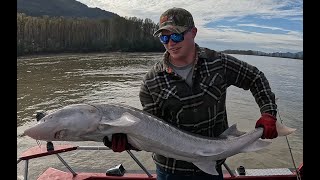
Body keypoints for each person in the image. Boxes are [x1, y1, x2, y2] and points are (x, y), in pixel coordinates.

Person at [103, 7, 278, 180]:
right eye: (164, 37)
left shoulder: (218, 63)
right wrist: (128, 142)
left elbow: (255, 77)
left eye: (177, 35)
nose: (170, 43)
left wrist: (268, 113)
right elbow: (151, 133)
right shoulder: (151, 81)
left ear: (193, 32)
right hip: (170, 170)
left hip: (212, 164)